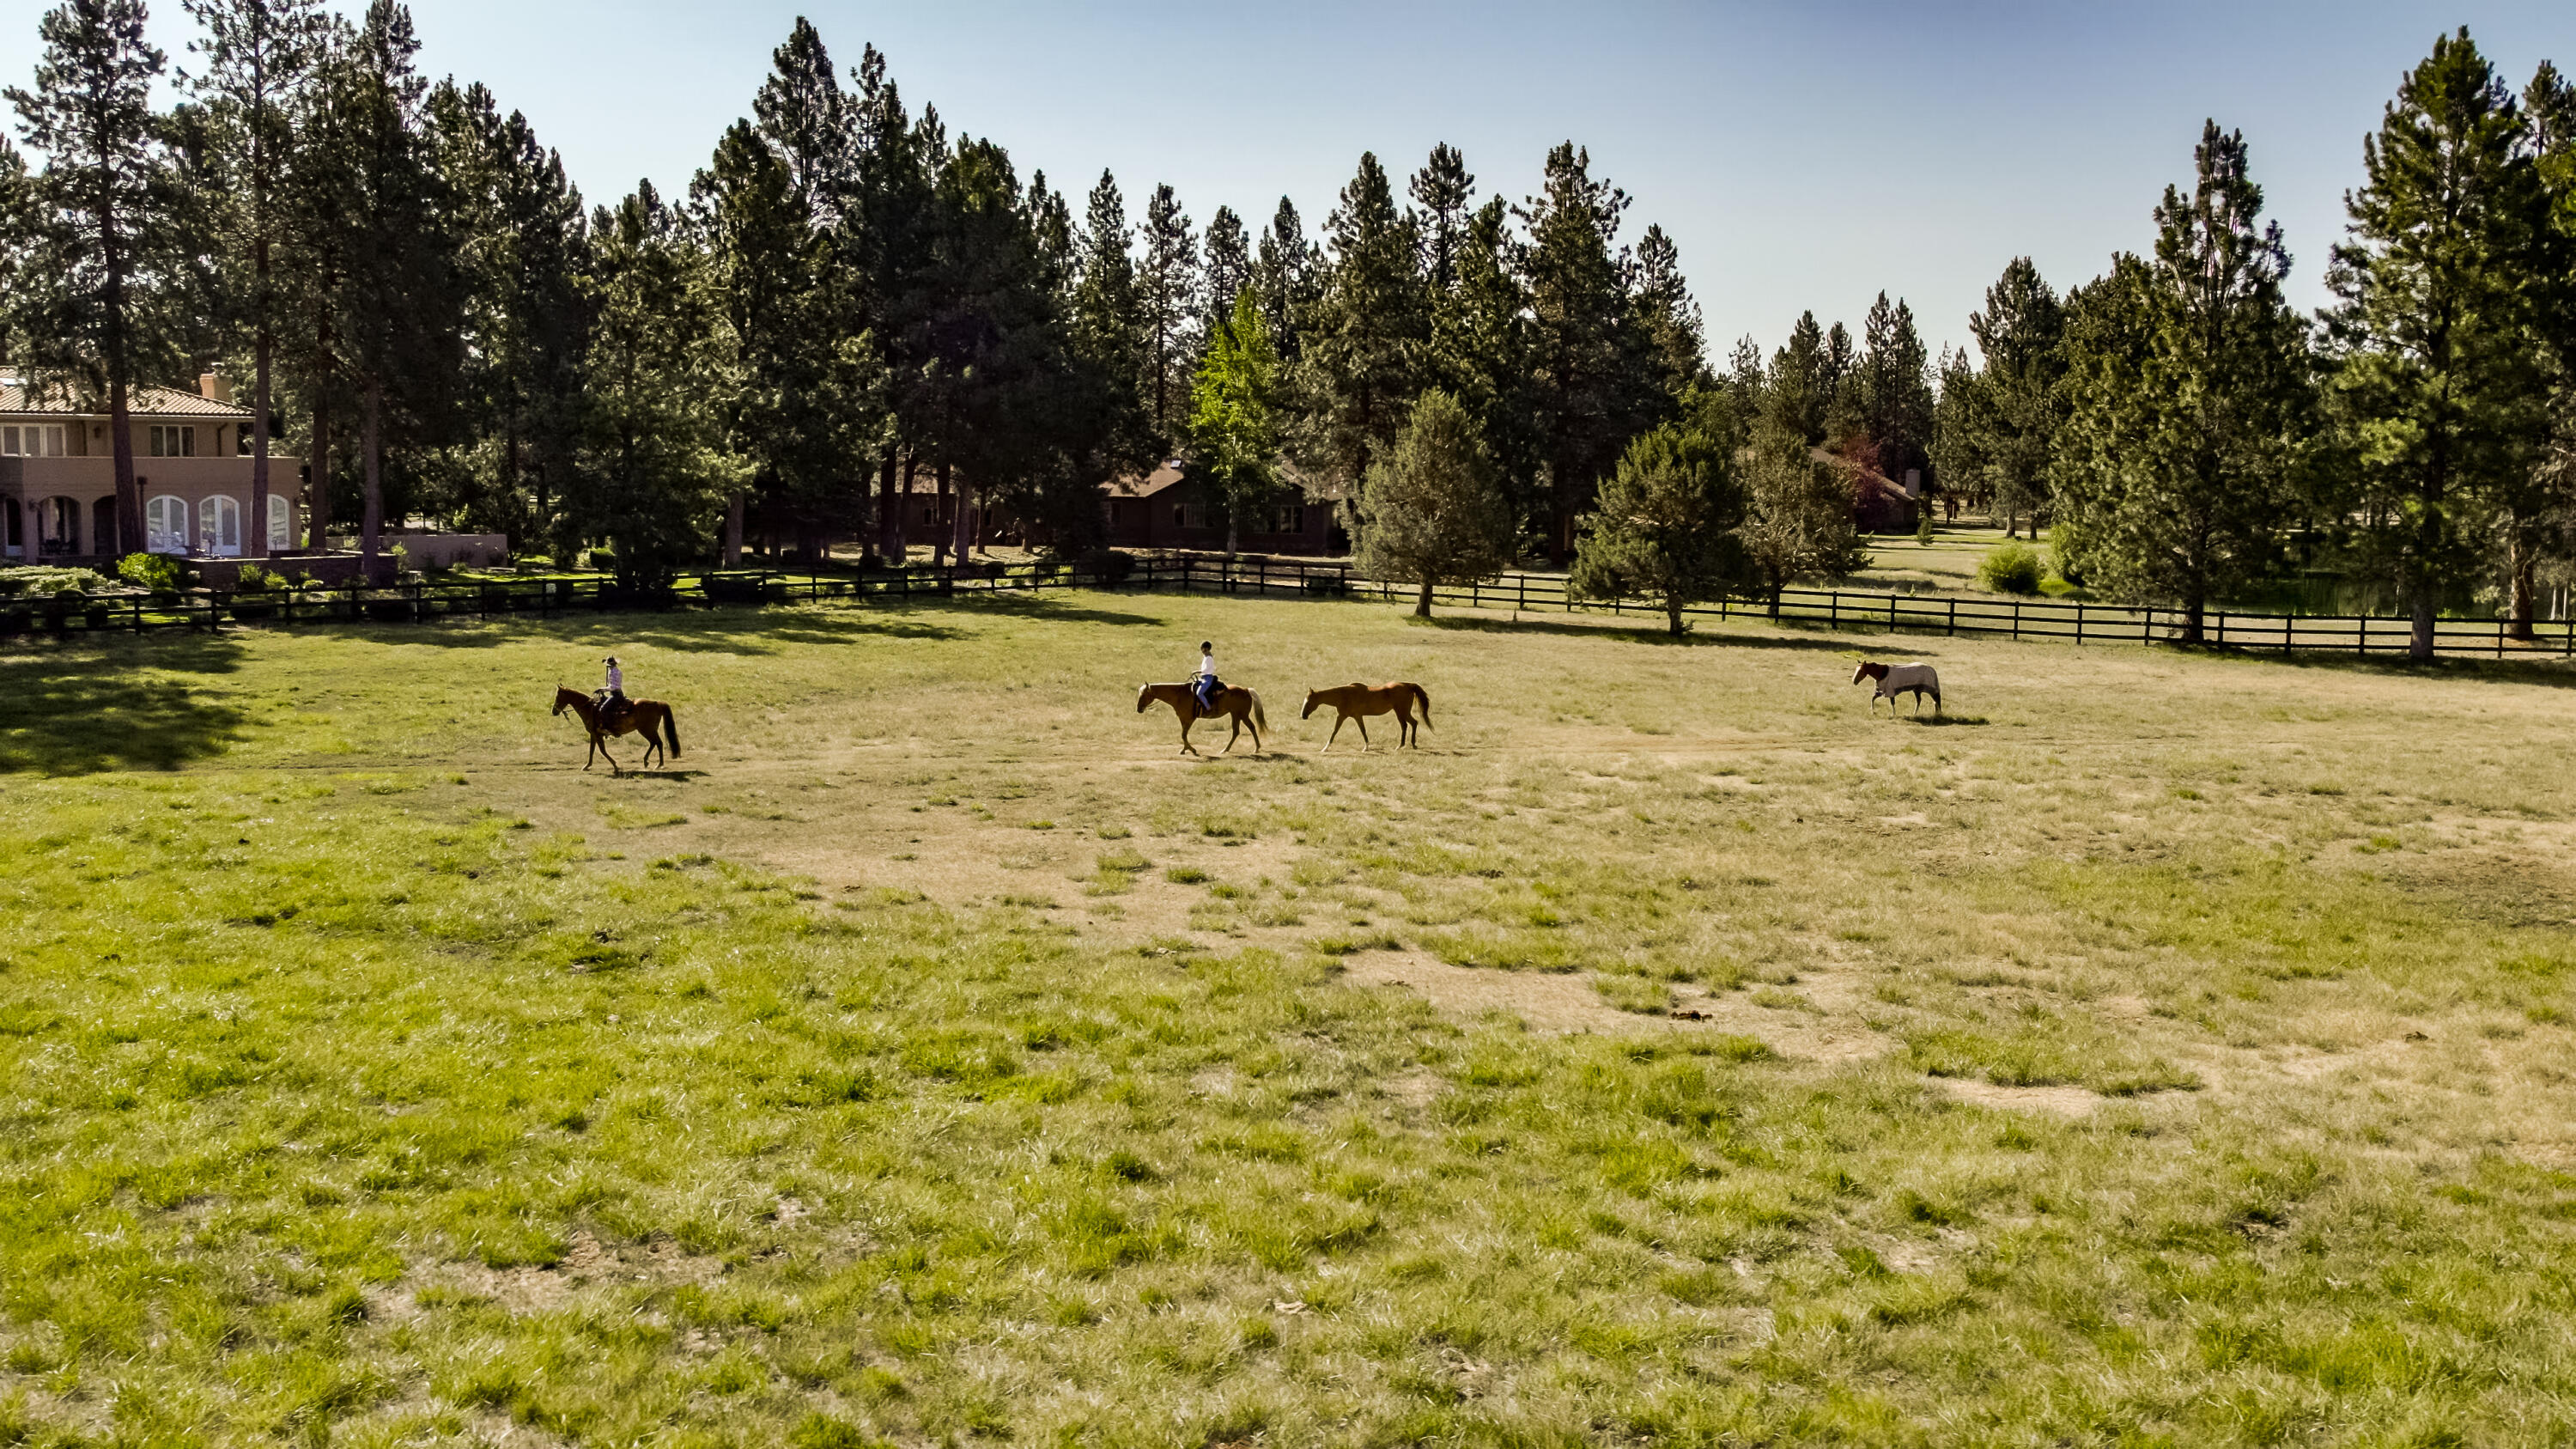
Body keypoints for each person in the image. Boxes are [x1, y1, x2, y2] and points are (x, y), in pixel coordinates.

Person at [596, 654, 629, 730]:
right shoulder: (617, 671)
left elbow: (613, 687)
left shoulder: (613, 673)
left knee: (602, 709)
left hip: (615, 695)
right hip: (618, 693)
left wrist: (602, 689)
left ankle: (607, 728)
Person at [1193, 640, 1220, 715]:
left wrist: (1197, 671)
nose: (1202, 650)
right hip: (1204, 677)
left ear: (1207, 649)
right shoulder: (1206, 657)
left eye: (1203, 648)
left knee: (1199, 693)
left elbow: (1206, 669)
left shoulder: (1208, 658)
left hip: (1208, 678)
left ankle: (1208, 708)